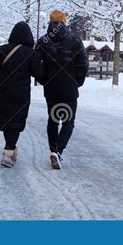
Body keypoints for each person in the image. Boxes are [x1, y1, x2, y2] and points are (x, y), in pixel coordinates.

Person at [35, 10, 89, 169]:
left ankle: (53, 149)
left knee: (53, 120)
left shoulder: (43, 42)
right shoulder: (75, 41)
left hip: (51, 88)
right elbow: (84, 64)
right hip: (69, 89)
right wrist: (77, 81)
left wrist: (43, 80)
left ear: (50, 22)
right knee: (68, 121)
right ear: (64, 22)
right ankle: (58, 151)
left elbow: (34, 64)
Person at [0, 21, 44, 168]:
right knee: (16, 121)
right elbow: (40, 74)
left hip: (2, 91)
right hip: (21, 93)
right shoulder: (31, 53)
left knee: (6, 119)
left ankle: (10, 148)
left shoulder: (2, 50)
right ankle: (8, 150)